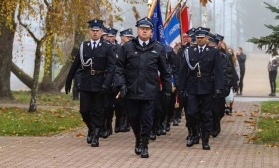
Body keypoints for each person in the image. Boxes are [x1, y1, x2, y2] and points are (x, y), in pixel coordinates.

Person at [115, 17, 172, 158]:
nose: (144, 31)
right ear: (138, 30)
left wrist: (167, 90)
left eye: (147, 29)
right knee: (133, 118)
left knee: (147, 119)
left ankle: (145, 144)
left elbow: (165, 72)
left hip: (150, 91)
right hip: (132, 90)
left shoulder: (157, 48)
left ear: (151, 32)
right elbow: (119, 68)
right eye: (142, 29)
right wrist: (121, 84)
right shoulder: (127, 47)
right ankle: (138, 138)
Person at [65, 19, 115, 147]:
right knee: (84, 110)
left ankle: (96, 135)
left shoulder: (107, 47)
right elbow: (76, 65)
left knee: (98, 110)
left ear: (101, 32)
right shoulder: (83, 46)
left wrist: (107, 84)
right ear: (89, 31)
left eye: (97, 31)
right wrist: (68, 81)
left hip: (100, 82)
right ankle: (91, 128)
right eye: (93, 30)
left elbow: (112, 68)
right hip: (86, 82)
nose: (95, 33)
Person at [178, 26, 224, 150]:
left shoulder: (213, 52)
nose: (199, 40)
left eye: (201, 38)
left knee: (206, 114)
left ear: (207, 38)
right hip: (192, 86)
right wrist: (181, 87)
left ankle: (205, 139)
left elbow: (219, 71)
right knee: (191, 113)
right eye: (197, 38)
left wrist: (219, 87)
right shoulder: (189, 51)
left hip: (207, 86)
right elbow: (183, 70)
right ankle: (193, 134)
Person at [226, 47, 240, 115]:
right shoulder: (225, 59)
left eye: (230, 52)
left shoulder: (235, 60)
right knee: (226, 94)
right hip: (227, 79)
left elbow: (237, 70)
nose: (229, 53)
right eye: (228, 51)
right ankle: (227, 107)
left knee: (231, 95)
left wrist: (237, 79)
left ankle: (230, 106)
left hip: (233, 78)